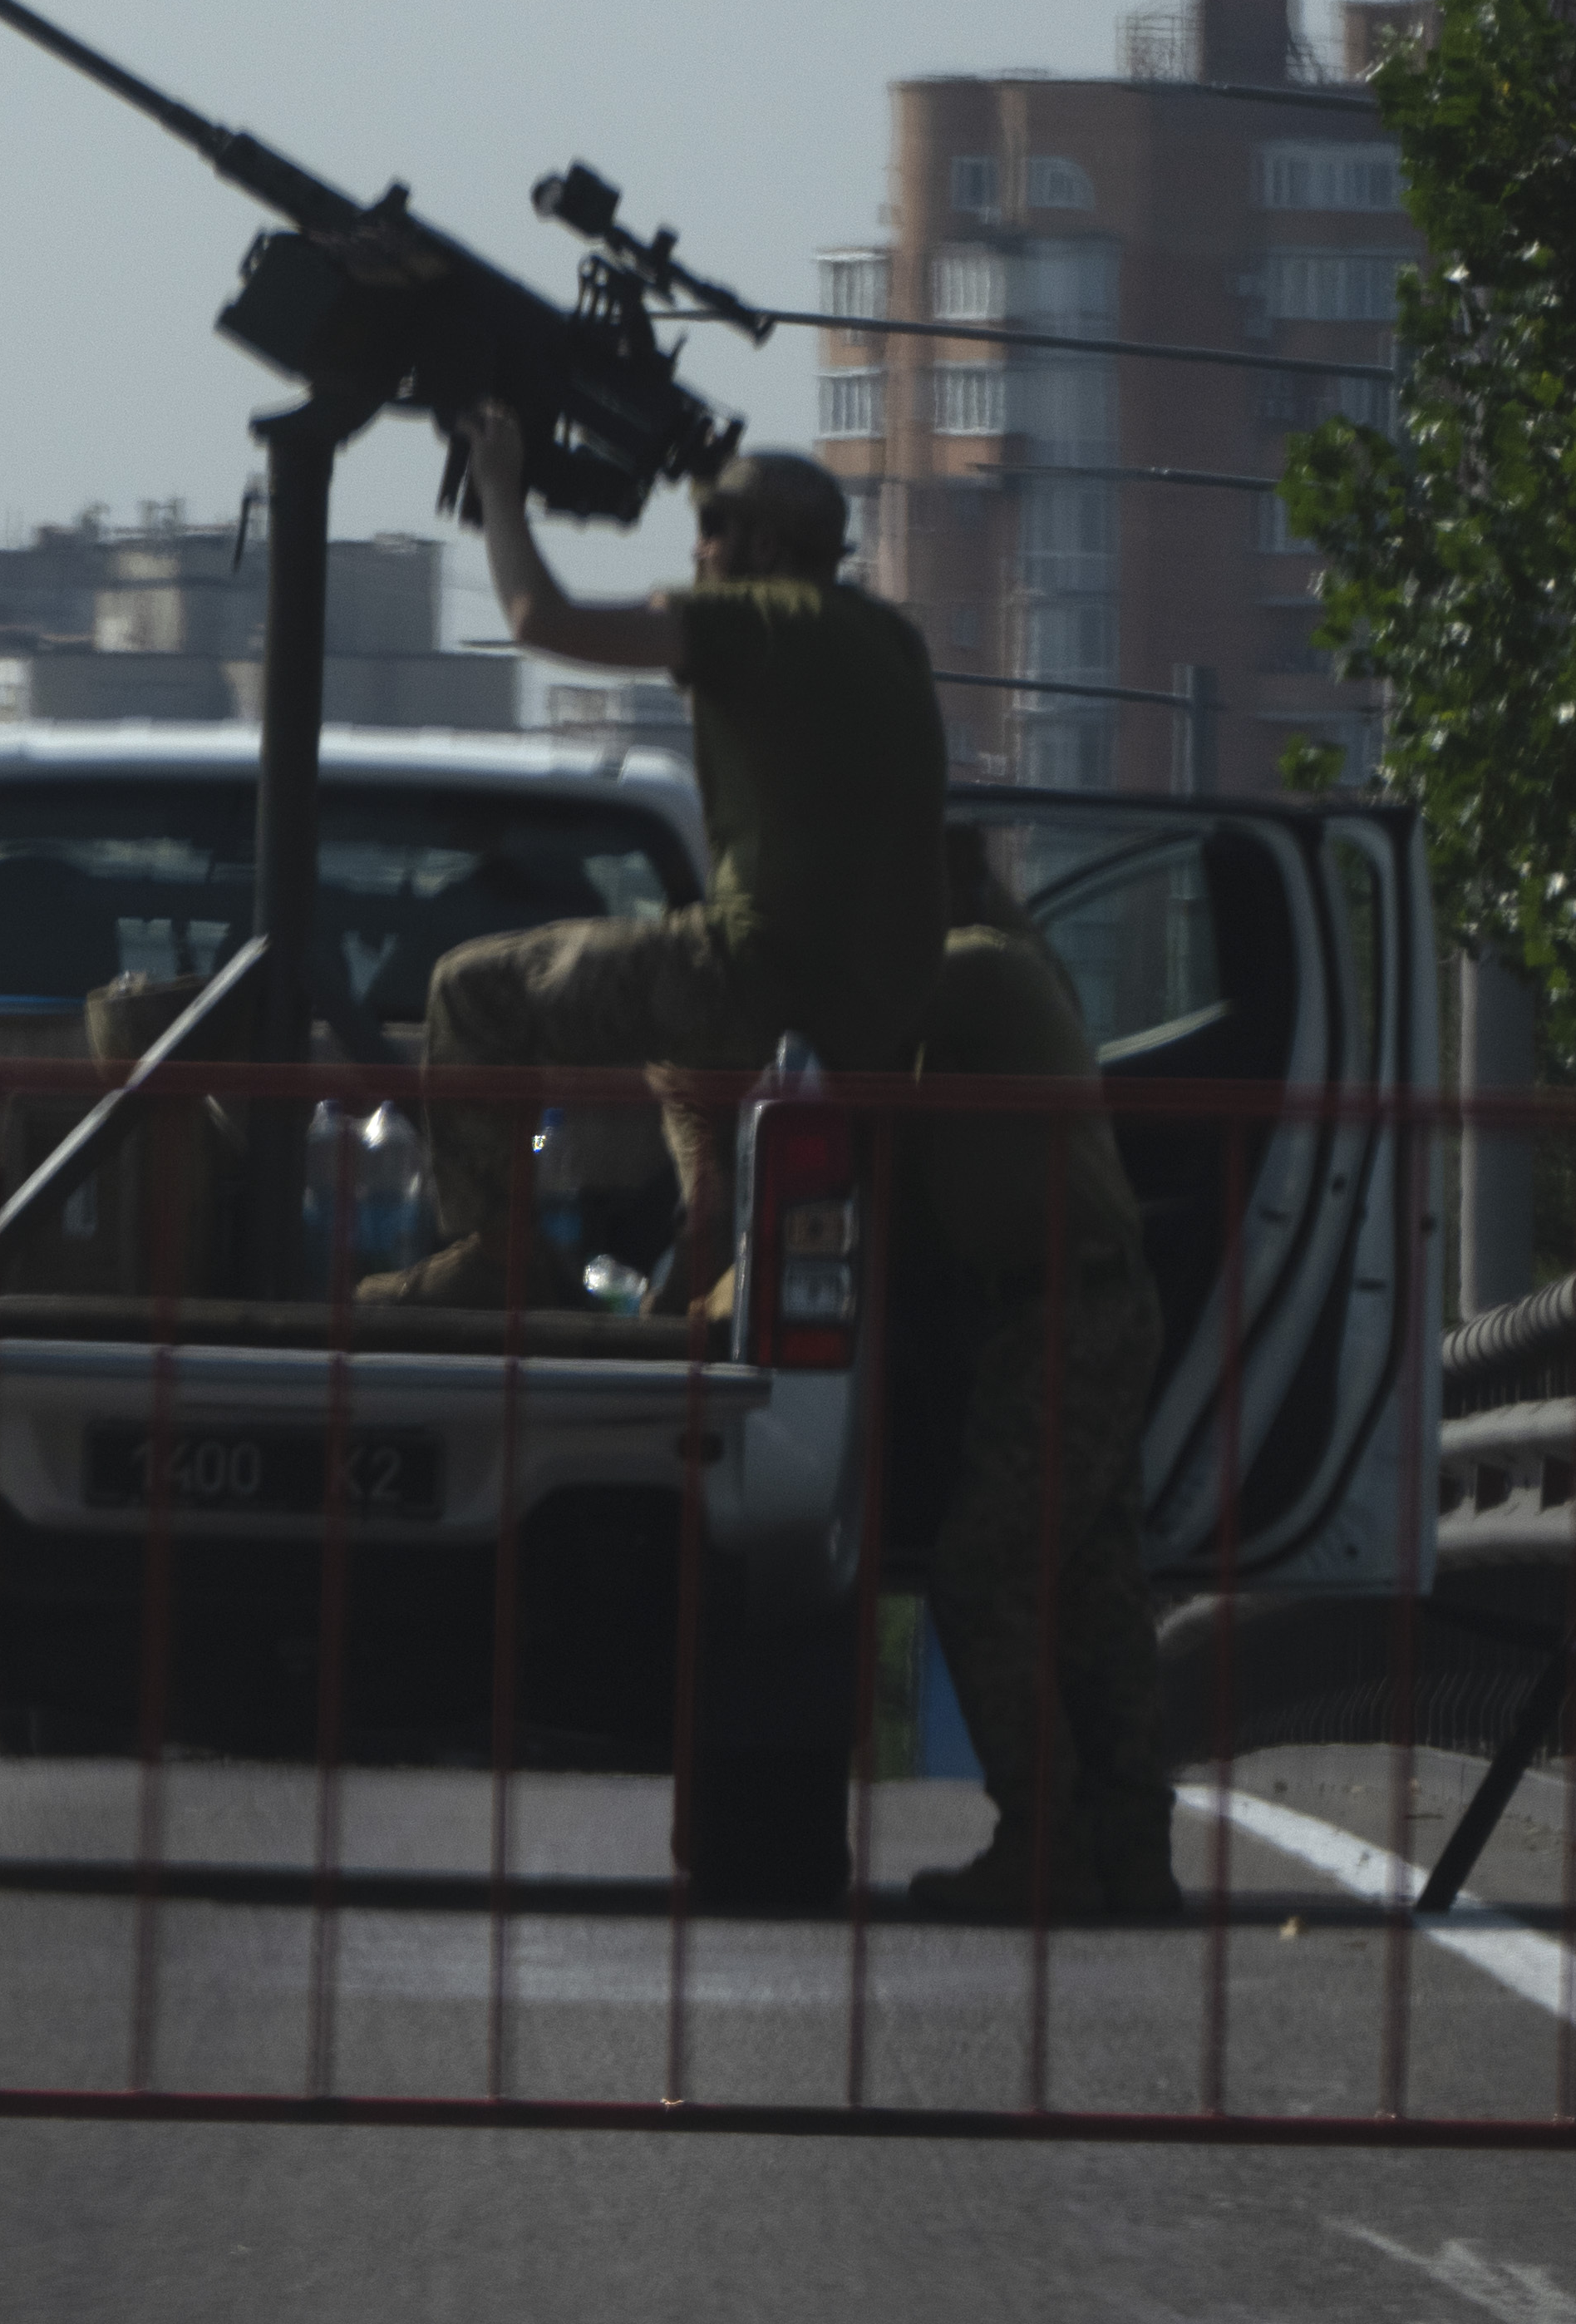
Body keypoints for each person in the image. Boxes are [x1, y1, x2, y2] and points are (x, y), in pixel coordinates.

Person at [397, 416, 948, 1302]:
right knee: (681, 1068)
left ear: (763, 546)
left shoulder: (749, 620)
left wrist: (499, 483)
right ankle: (701, 1256)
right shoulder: (892, 639)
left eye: (711, 529)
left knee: (471, 992)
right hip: (875, 1005)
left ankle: (493, 1258)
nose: (696, 550)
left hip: (758, 972)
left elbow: (540, 619)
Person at [891, 838, 1174, 1921]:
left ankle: (1043, 1843)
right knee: (1096, 1596)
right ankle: (1129, 1856)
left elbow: (850, 1008)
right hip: (1073, 1307)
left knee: (981, 1577)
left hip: (1064, 1313)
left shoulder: (980, 968)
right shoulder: (1006, 974)